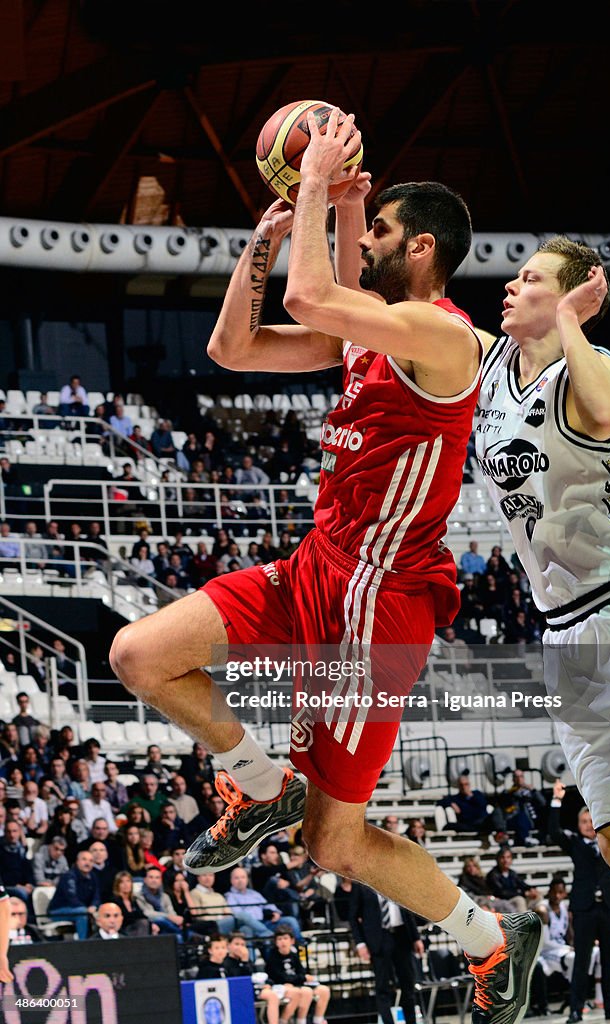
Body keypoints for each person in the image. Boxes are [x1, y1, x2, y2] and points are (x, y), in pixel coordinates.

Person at [109, 115, 542, 1024]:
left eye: (378, 229)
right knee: (138, 655)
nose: (365, 238)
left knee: (332, 846)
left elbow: (314, 298)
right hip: (314, 566)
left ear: (421, 248)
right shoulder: (368, 334)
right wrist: (264, 243)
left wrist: (315, 181)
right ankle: (265, 785)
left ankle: (490, 937)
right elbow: (234, 347)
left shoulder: (440, 336)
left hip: (375, 606)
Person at [473, 236, 610, 884]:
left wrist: (569, 321)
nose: (509, 285)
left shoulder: (597, 369)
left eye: (529, 277)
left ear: (569, 294)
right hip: (560, 634)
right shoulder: (487, 365)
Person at [548, 779, 610, 1023]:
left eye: (592, 821)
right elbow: (553, 832)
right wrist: (557, 800)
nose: (589, 825)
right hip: (584, 909)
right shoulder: (575, 844)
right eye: (584, 821)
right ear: (579, 825)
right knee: (582, 961)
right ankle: (576, 1009)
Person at [349, 879, 423, 1024]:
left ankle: (411, 1021)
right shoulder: (361, 883)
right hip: (379, 938)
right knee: (383, 986)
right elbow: (353, 916)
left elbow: (408, 910)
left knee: (407, 984)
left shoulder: (394, 878)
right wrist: (360, 944)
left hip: (402, 936)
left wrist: (416, 937)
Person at [264, 924, 332, 1024]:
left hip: (297, 983)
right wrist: (302, 978)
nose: (283, 941)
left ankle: (318, 1019)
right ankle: (297, 1021)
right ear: (276, 942)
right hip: (280, 986)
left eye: (285, 938)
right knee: (306, 992)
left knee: (324, 990)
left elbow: (301, 971)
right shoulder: (272, 956)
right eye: (280, 939)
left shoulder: (293, 955)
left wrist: (302, 978)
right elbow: (281, 977)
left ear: (292, 941)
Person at [47, 849, 100, 940]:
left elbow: (97, 896)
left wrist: (94, 906)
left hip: (82, 909)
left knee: (104, 909)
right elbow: (71, 898)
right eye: (84, 859)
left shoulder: (93, 876)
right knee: (82, 912)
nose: (87, 863)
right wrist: (87, 909)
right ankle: (83, 943)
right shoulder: (69, 876)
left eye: (91, 861)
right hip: (58, 911)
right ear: (77, 861)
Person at [110, 870, 154, 936]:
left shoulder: (133, 900)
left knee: (146, 924)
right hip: (122, 930)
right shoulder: (114, 901)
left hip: (136, 928)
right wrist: (135, 916)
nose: (126, 884)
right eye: (122, 882)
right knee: (143, 923)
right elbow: (124, 919)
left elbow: (142, 914)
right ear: (117, 885)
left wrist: (152, 924)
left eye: (128, 881)